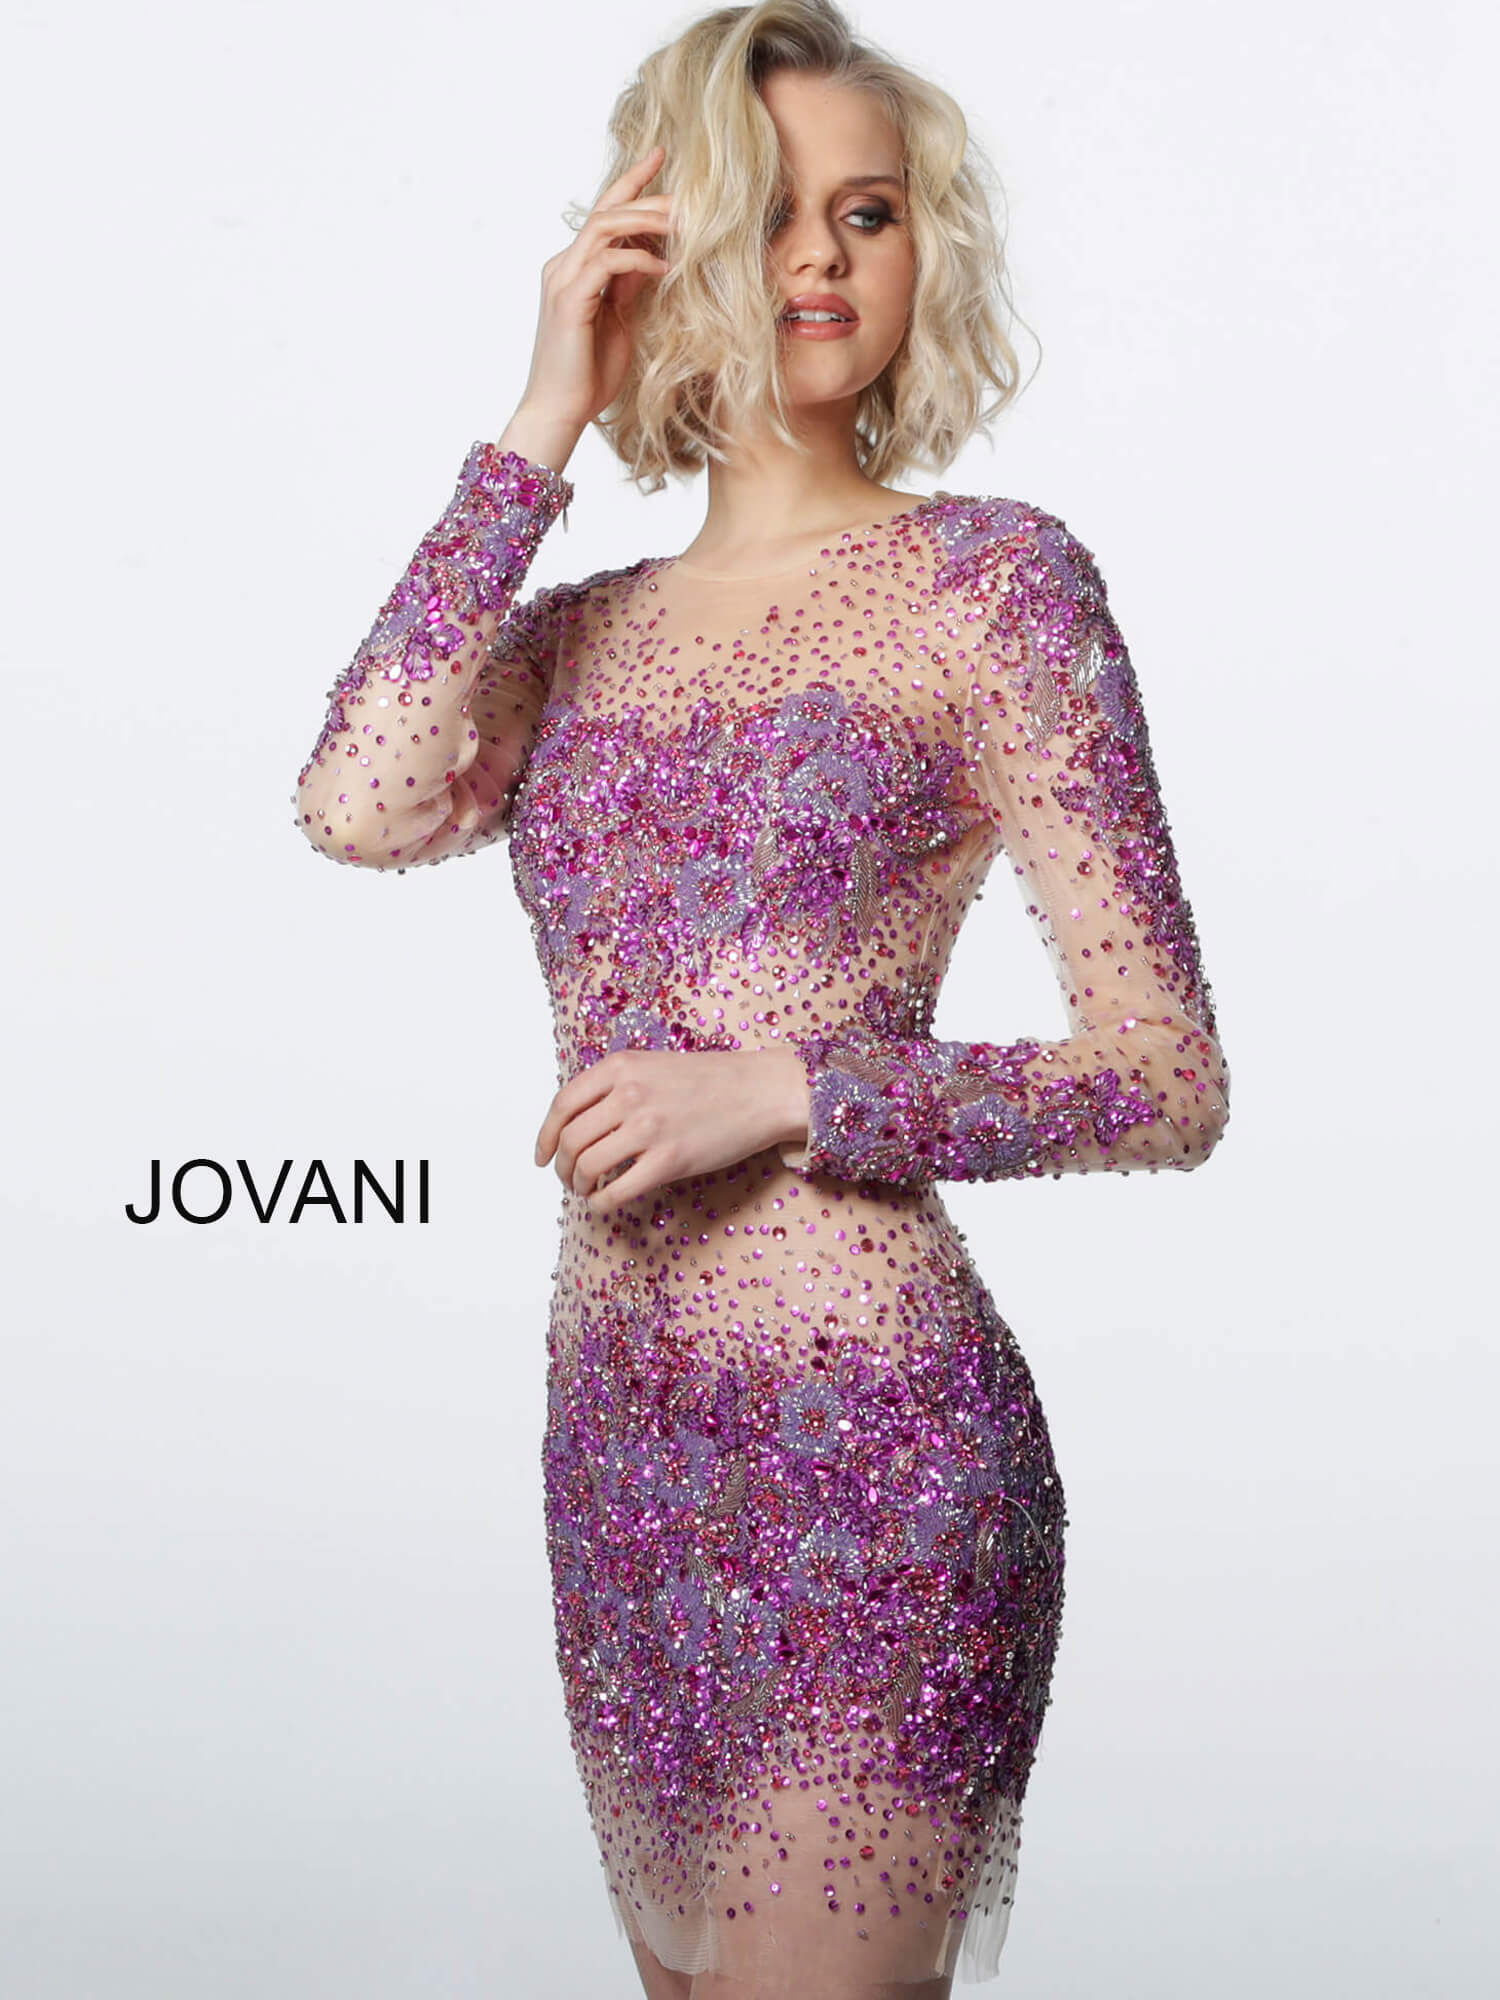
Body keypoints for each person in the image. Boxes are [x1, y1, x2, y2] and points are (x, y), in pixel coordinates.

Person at [291, 4, 1230, 1992]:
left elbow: (1163, 1077)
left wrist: (792, 1089)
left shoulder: (995, 584)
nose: (820, 258)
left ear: (921, 251)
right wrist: (538, 424)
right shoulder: (576, 638)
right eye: (767, 210)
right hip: (621, 1467)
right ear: (663, 244)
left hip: (877, 1468)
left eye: (868, 214)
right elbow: (356, 800)